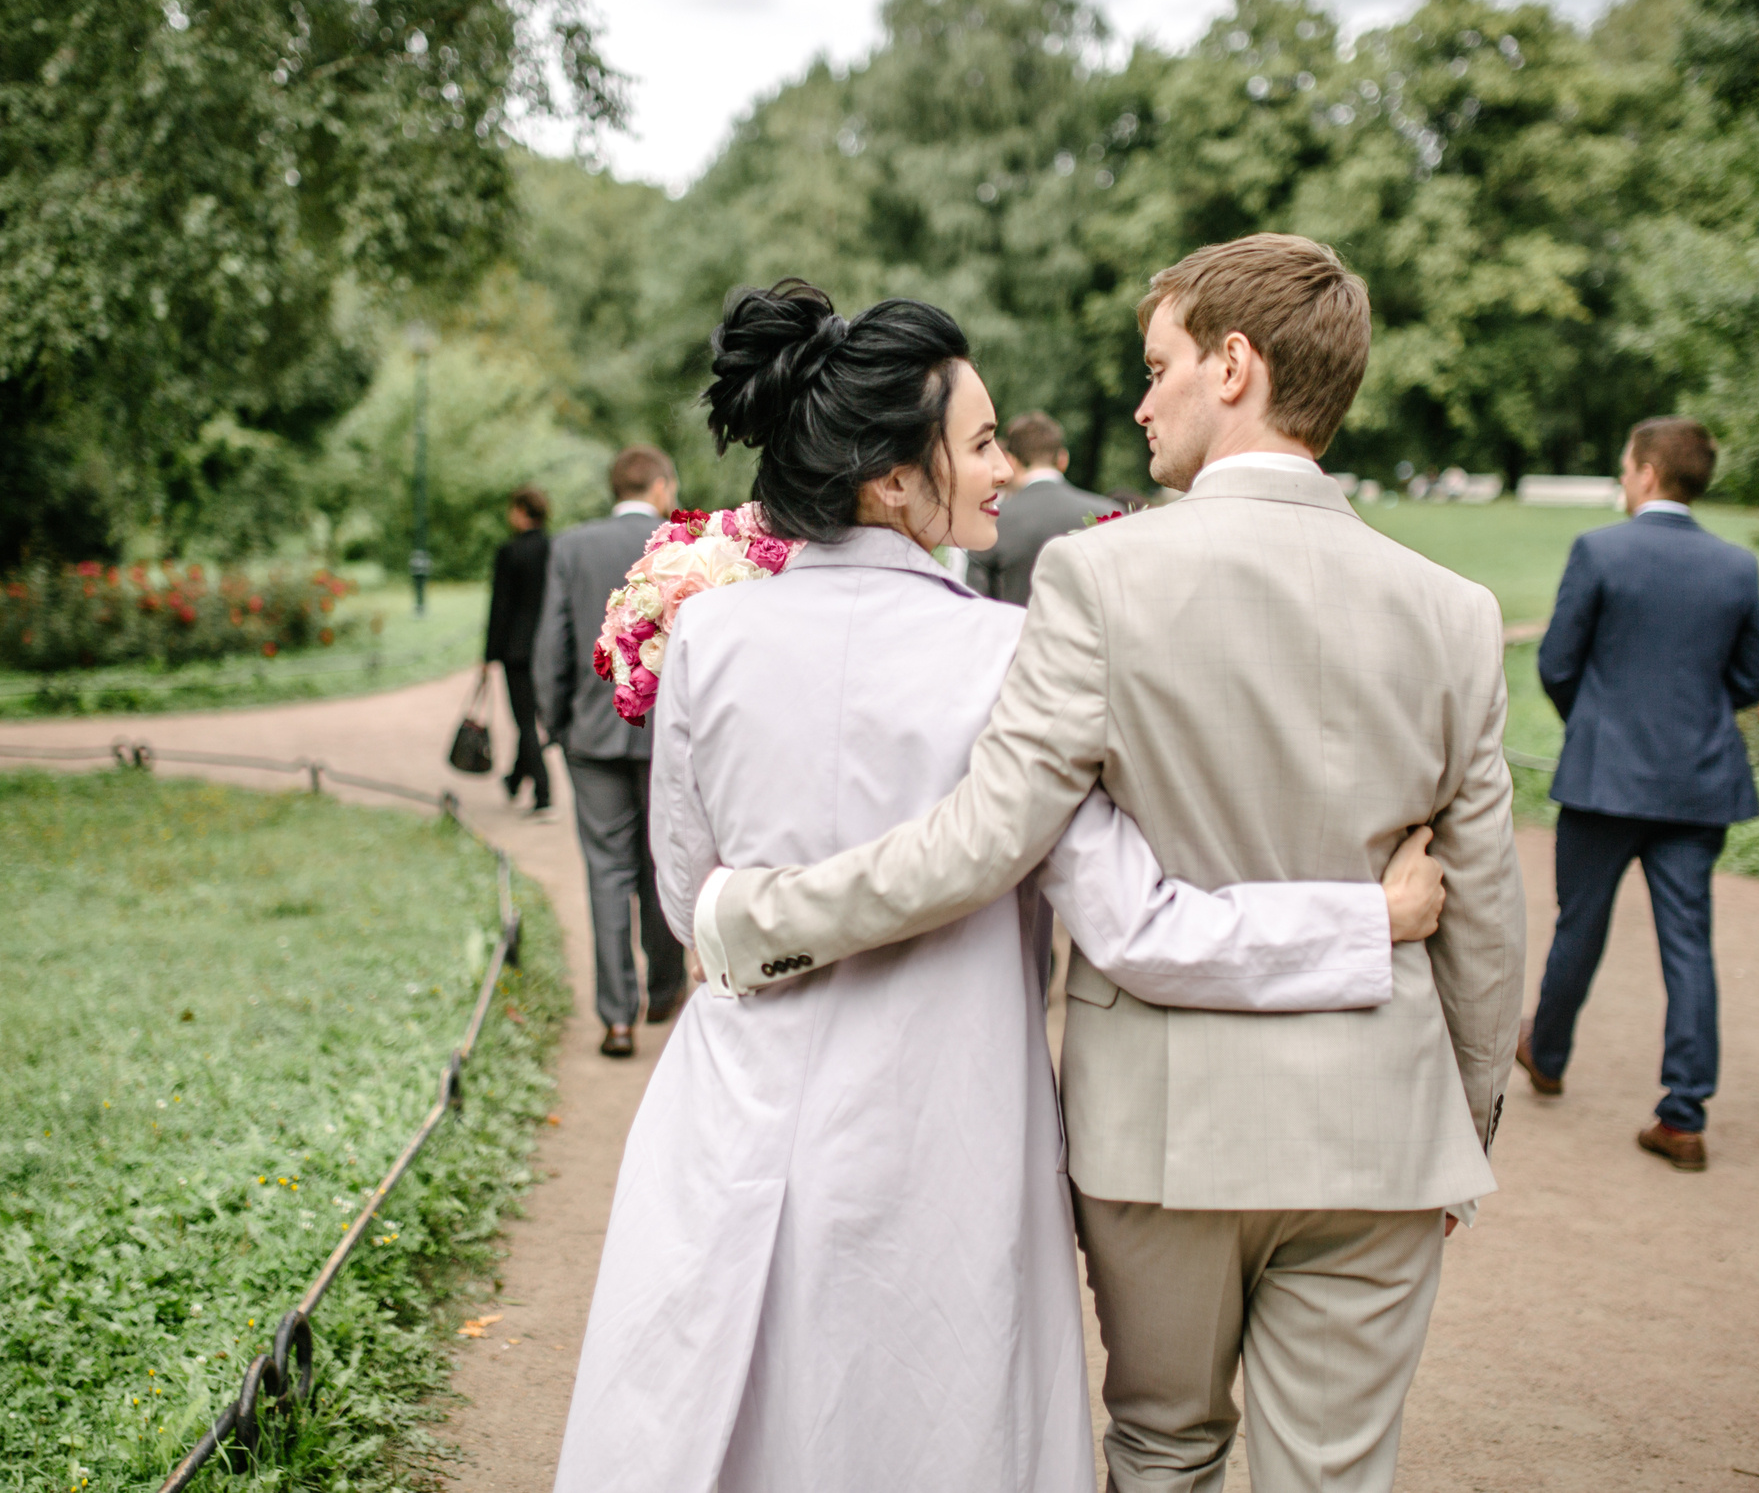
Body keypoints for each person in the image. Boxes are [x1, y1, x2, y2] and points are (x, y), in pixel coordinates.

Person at [554, 278, 1452, 1493]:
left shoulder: (709, 638)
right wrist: (1365, 921)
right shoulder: (1011, 656)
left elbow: (685, 905)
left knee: (730, 1417)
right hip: (940, 1123)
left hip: (732, 1113)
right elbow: (1134, 923)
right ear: (891, 480)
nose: (998, 467)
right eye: (978, 442)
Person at [1520, 417, 1759, 1172]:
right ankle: (1684, 1113)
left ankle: (1549, 1054)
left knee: (1578, 926)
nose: (1624, 478)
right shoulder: (1736, 566)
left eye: (1627, 466)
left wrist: (1596, 727)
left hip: (1604, 779)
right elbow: (1748, 683)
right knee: (1688, 943)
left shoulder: (1601, 549)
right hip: (1696, 782)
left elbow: (1557, 662)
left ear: (1649, 473)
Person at [534, 446, 686, 1057]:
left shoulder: (571, 547)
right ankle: (665, 986)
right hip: (666, 731)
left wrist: (558, 722)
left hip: (592, 738)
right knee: (660, 858)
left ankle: (615, 1018)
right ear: (658, 486)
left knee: (606, 871)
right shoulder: (680, 542)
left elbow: (554, 644)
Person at [965, 409, 1116, 604]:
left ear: (1011, 461)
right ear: (1063, 459)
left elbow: (977, 603)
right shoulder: (1108, 513)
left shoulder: (992, 522)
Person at [483, 485, 554, 813]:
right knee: (535, 719)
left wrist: (489, 655)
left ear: (523, 511)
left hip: (516, 650)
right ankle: (515, 779)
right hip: (548, 646)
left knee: (524, 721)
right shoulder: (555, 549)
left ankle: (543, 794)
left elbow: (501, 607)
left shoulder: (509, 552)